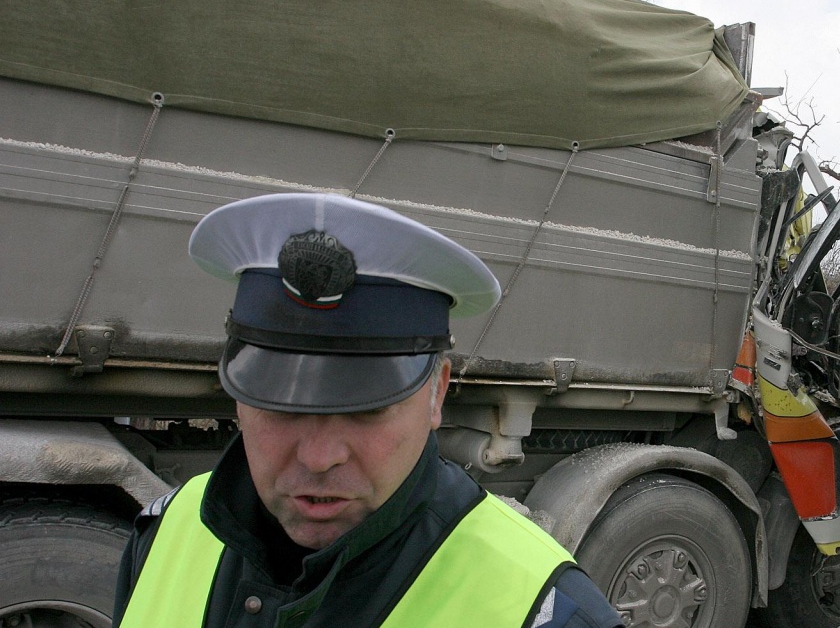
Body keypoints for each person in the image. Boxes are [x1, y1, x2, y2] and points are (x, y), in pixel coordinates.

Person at [112, 192, 623, 628]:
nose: (318, 457)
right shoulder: (166, 530)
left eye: (366, 410)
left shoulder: (547, 612)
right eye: (282, 407)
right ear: (239, 401)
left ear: (436, 395)